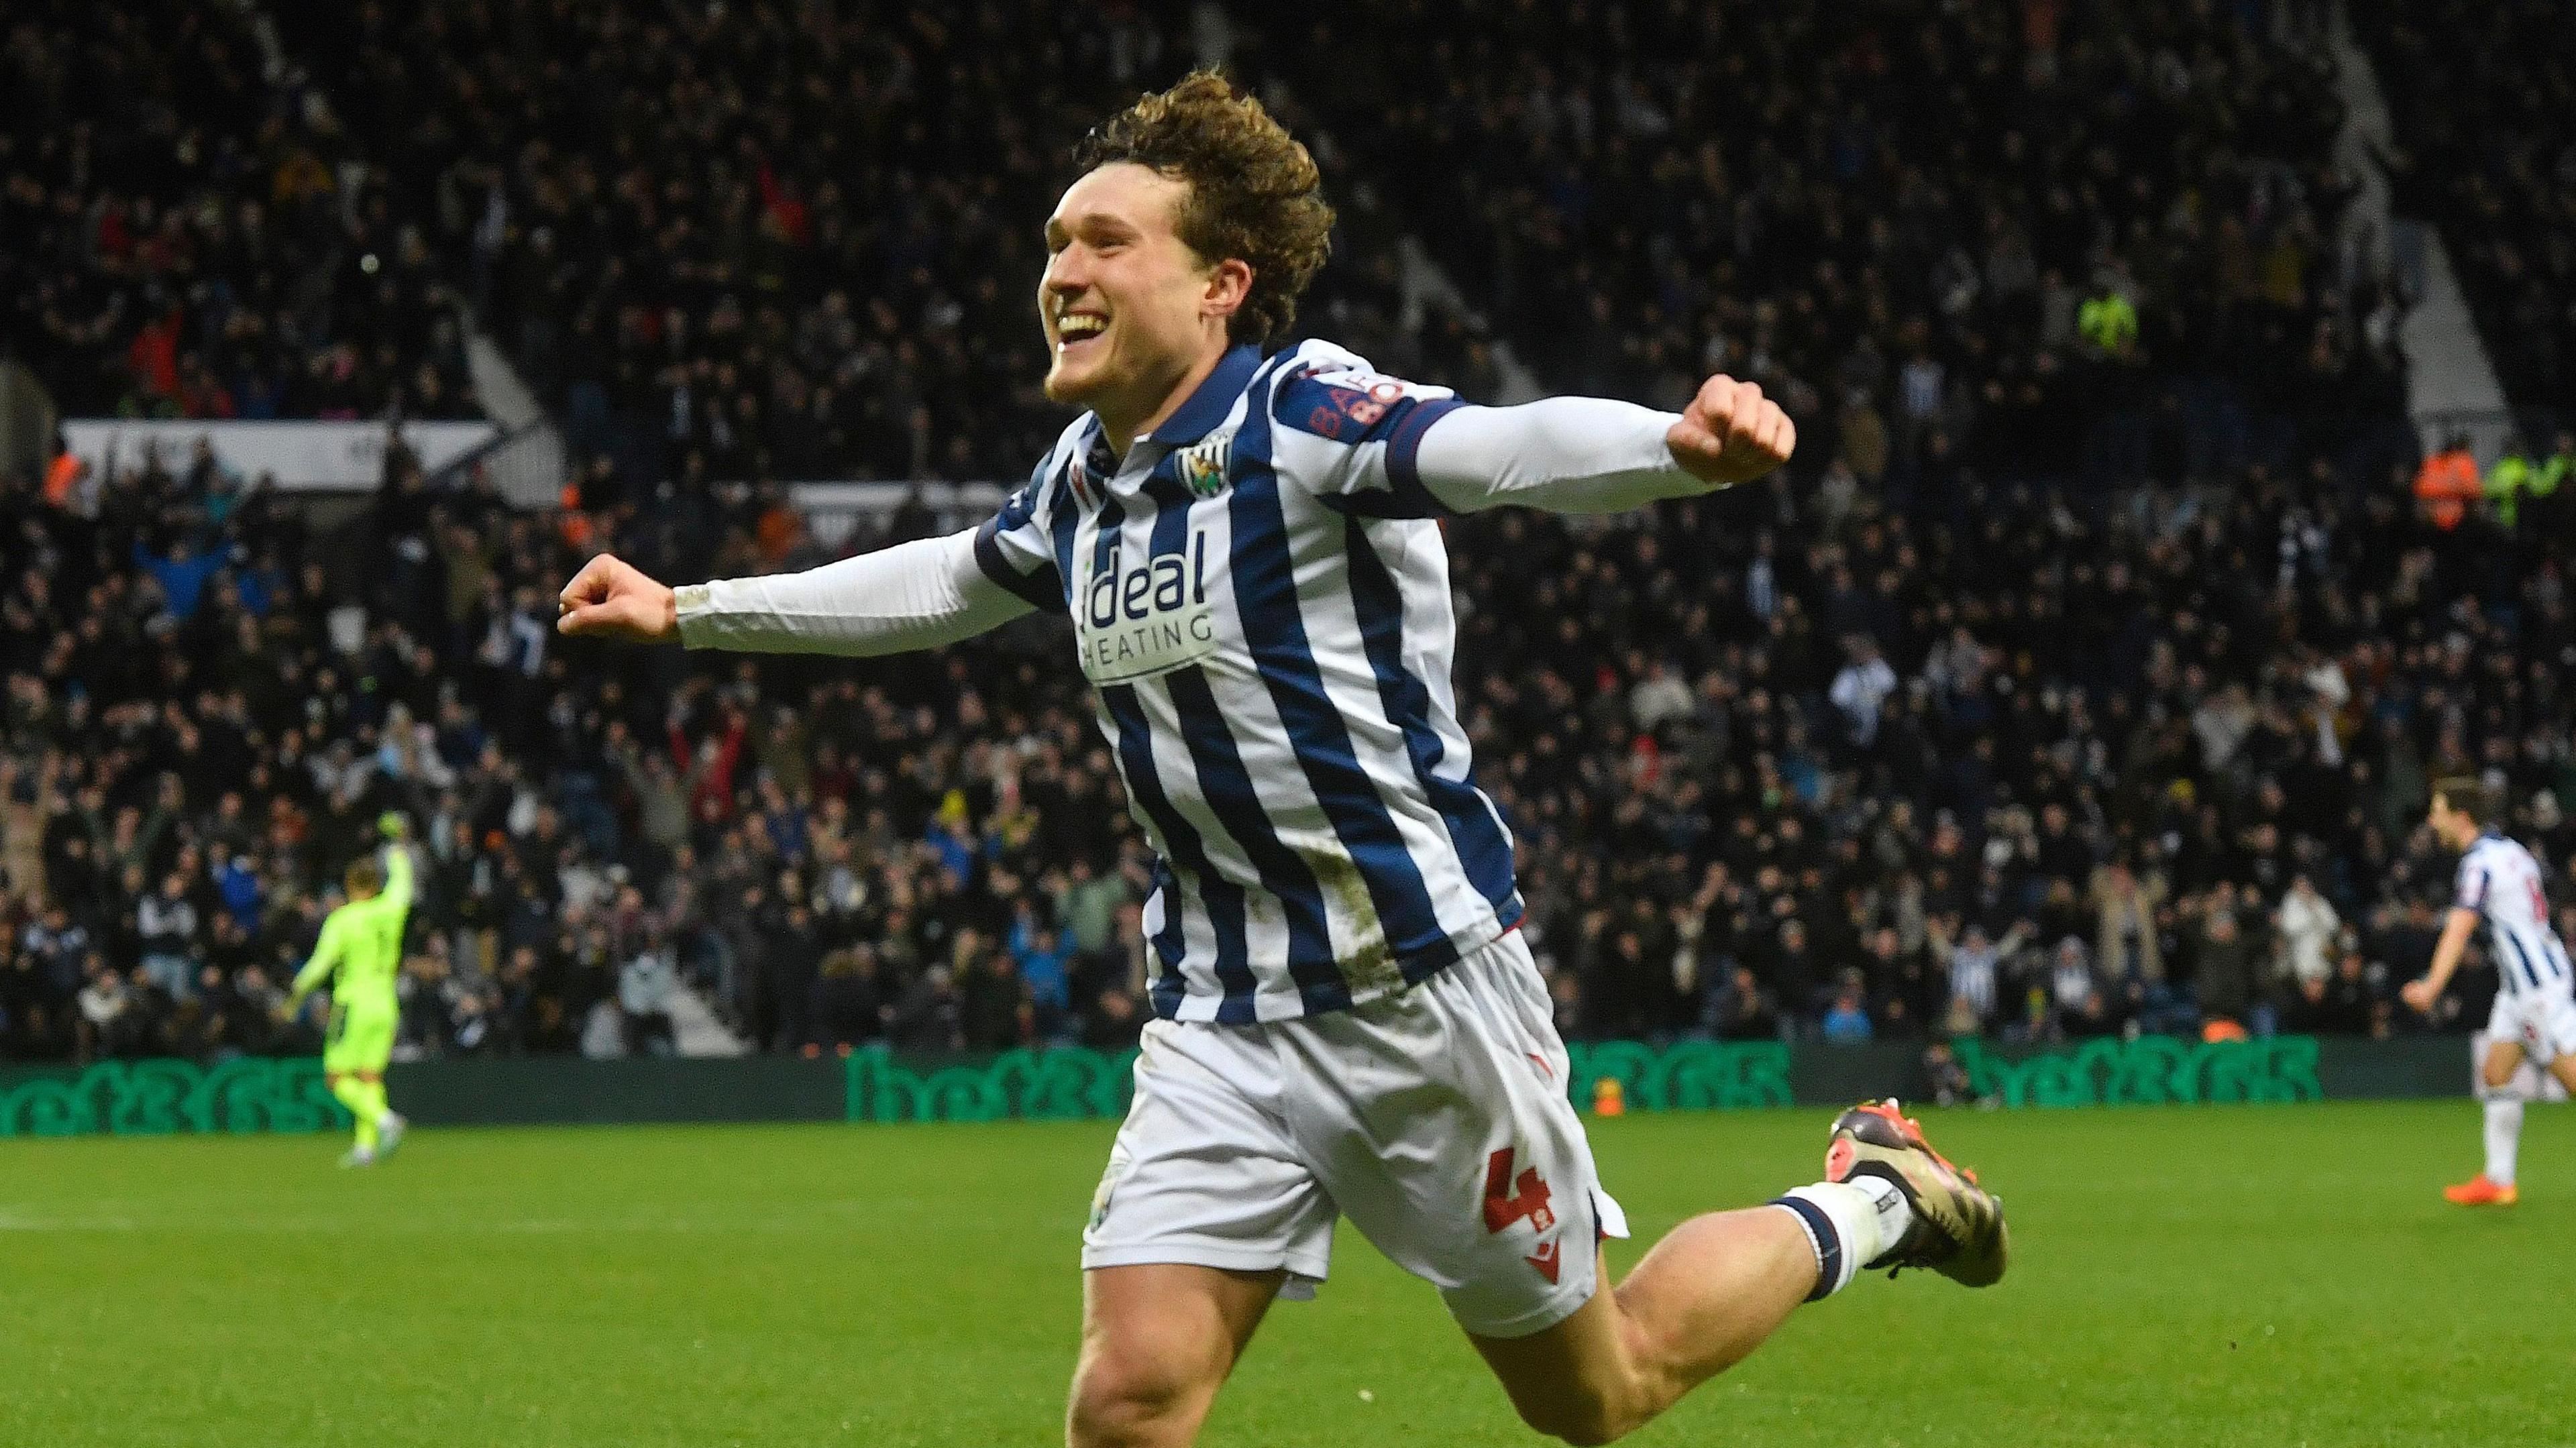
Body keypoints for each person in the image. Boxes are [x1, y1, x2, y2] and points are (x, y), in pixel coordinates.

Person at [557, 71, 2004, 1448]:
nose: (1063, 265)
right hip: (1221, 1012)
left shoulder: (1300, 414)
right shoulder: (1087, 478)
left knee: (1597, 1391)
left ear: (1220, 284)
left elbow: (1502, 447)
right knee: (1129, 1397)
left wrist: (1677, 445)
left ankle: (1875, 1194)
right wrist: (688, 610)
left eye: (1108, 240)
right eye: (1056, 239)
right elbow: (947, 580)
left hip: (1418, 989)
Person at [2401, 778, 2576, 1207]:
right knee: (2496, 1075)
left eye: (2437, 811)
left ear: (2461, 818)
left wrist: (2431, 987)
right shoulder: (2513, 851)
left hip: (2538, 992)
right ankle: (2499, 1181)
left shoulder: (2479, 863)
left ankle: (2499, 1180)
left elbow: (2460, 927)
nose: (2431, 819)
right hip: (2521, 989)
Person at [282, 814, 415, 1168]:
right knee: (370, 1075)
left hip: (353, 1003)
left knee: (337, 1078)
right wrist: (398, 847)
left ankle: (387, 1121)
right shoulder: (391, 910)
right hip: (386, 1002)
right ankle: (365, 1148)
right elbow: (403, 882)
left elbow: (318, 966)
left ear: (348, 886)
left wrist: (295, 995)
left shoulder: (343, 920)